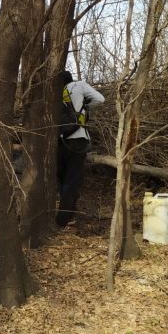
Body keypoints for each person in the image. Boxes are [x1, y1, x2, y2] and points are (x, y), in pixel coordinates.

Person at [56, 70, 105, 227]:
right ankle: (63, 220)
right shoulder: (79, 85)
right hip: (78, 139)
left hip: (59, 140)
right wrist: (85, 107)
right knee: (73, 181)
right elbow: (100, 99)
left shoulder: (53, 92)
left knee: (63, 179)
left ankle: (67, 215)